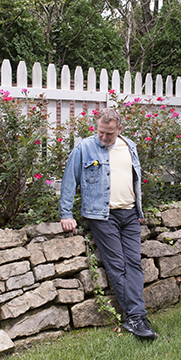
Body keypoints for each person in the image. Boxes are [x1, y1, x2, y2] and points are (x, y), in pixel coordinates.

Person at [59, 108, 157, 340]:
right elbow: (69, 180)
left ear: (120, 129)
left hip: (130, 215)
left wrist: (139, 209)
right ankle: (136, 317)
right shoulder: (84, 147)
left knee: (134, 264)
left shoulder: (129, 146)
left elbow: (133, 180)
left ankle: (136, 317)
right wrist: (66, 213)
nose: (104, 137)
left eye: (109, 134)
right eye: (101, 132)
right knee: (117, 266)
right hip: (102, 216)